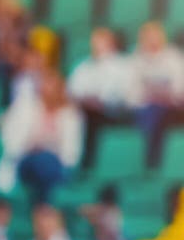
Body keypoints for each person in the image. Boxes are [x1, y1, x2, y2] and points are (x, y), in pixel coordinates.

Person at [0, 69, 84, 202]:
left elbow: (71, 153)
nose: (48, 90)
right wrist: (31, 145)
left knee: (47, 161)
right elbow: (9, 138)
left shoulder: (71, 116)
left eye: (53, 87)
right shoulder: (26, 107)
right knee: (41, 161)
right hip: (25, 160)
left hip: (55, 165)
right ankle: (43, 206)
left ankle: (42, 206)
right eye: (46, 86)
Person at [67, 28, 132, 164]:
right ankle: (70, 160)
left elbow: (124, 94)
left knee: (91, 116)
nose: (96, 46)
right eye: (94, 42)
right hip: (83, 110)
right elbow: (72, 92)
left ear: (112, 44)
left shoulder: (123, 66)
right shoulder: (83, 66)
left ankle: (89, 161)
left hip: (113, 112)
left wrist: (101, 101)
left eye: (101, 42)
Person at [126, 22, 184, 162]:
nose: (152, 40)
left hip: (171, 108)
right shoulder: (135, 59)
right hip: (144, 107)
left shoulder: (174, 58)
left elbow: (179, 89)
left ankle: (151, 160)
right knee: (149, 112)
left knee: (158, 113)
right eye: (148, 37)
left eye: (155, 36)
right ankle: (142, 158)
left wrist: (163, 94)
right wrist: (148, 95)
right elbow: (130, 92)